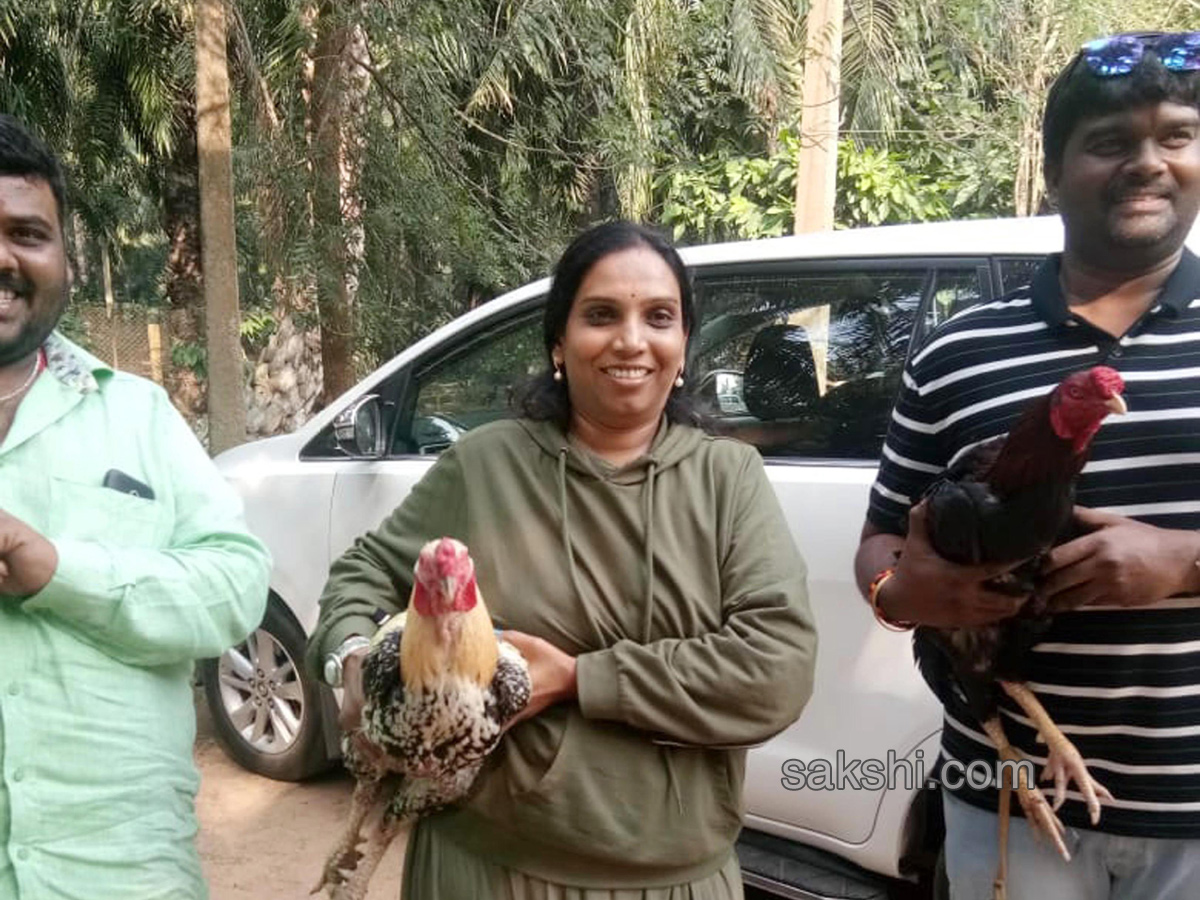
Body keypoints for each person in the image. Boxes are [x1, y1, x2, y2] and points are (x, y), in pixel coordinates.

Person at [306, 220, 817, 899]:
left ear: (684, 344)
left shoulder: (729, 479)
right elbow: (361, 572)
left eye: (658, 317)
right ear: (558, 342)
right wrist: (353, 662)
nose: (632, 340)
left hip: (672, 880)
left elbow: (776, 673)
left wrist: (578, 678)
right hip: (483, 869)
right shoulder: (486, 465)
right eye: (601, 315)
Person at [854, 31, 1200, 900]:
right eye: (1111, 141)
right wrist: (902, 593)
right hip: (1001, 793)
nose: (1148, 163)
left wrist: (1188, 560)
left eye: (1177, 136)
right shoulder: (956, 351)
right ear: (1053, 170)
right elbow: (882, 541)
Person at [0, 115, 271, 897]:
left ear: (64, 258)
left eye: (27, 233)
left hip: (124, 876)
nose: (5, 258)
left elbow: (235, 588)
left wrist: (60, 572)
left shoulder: (139, 415)